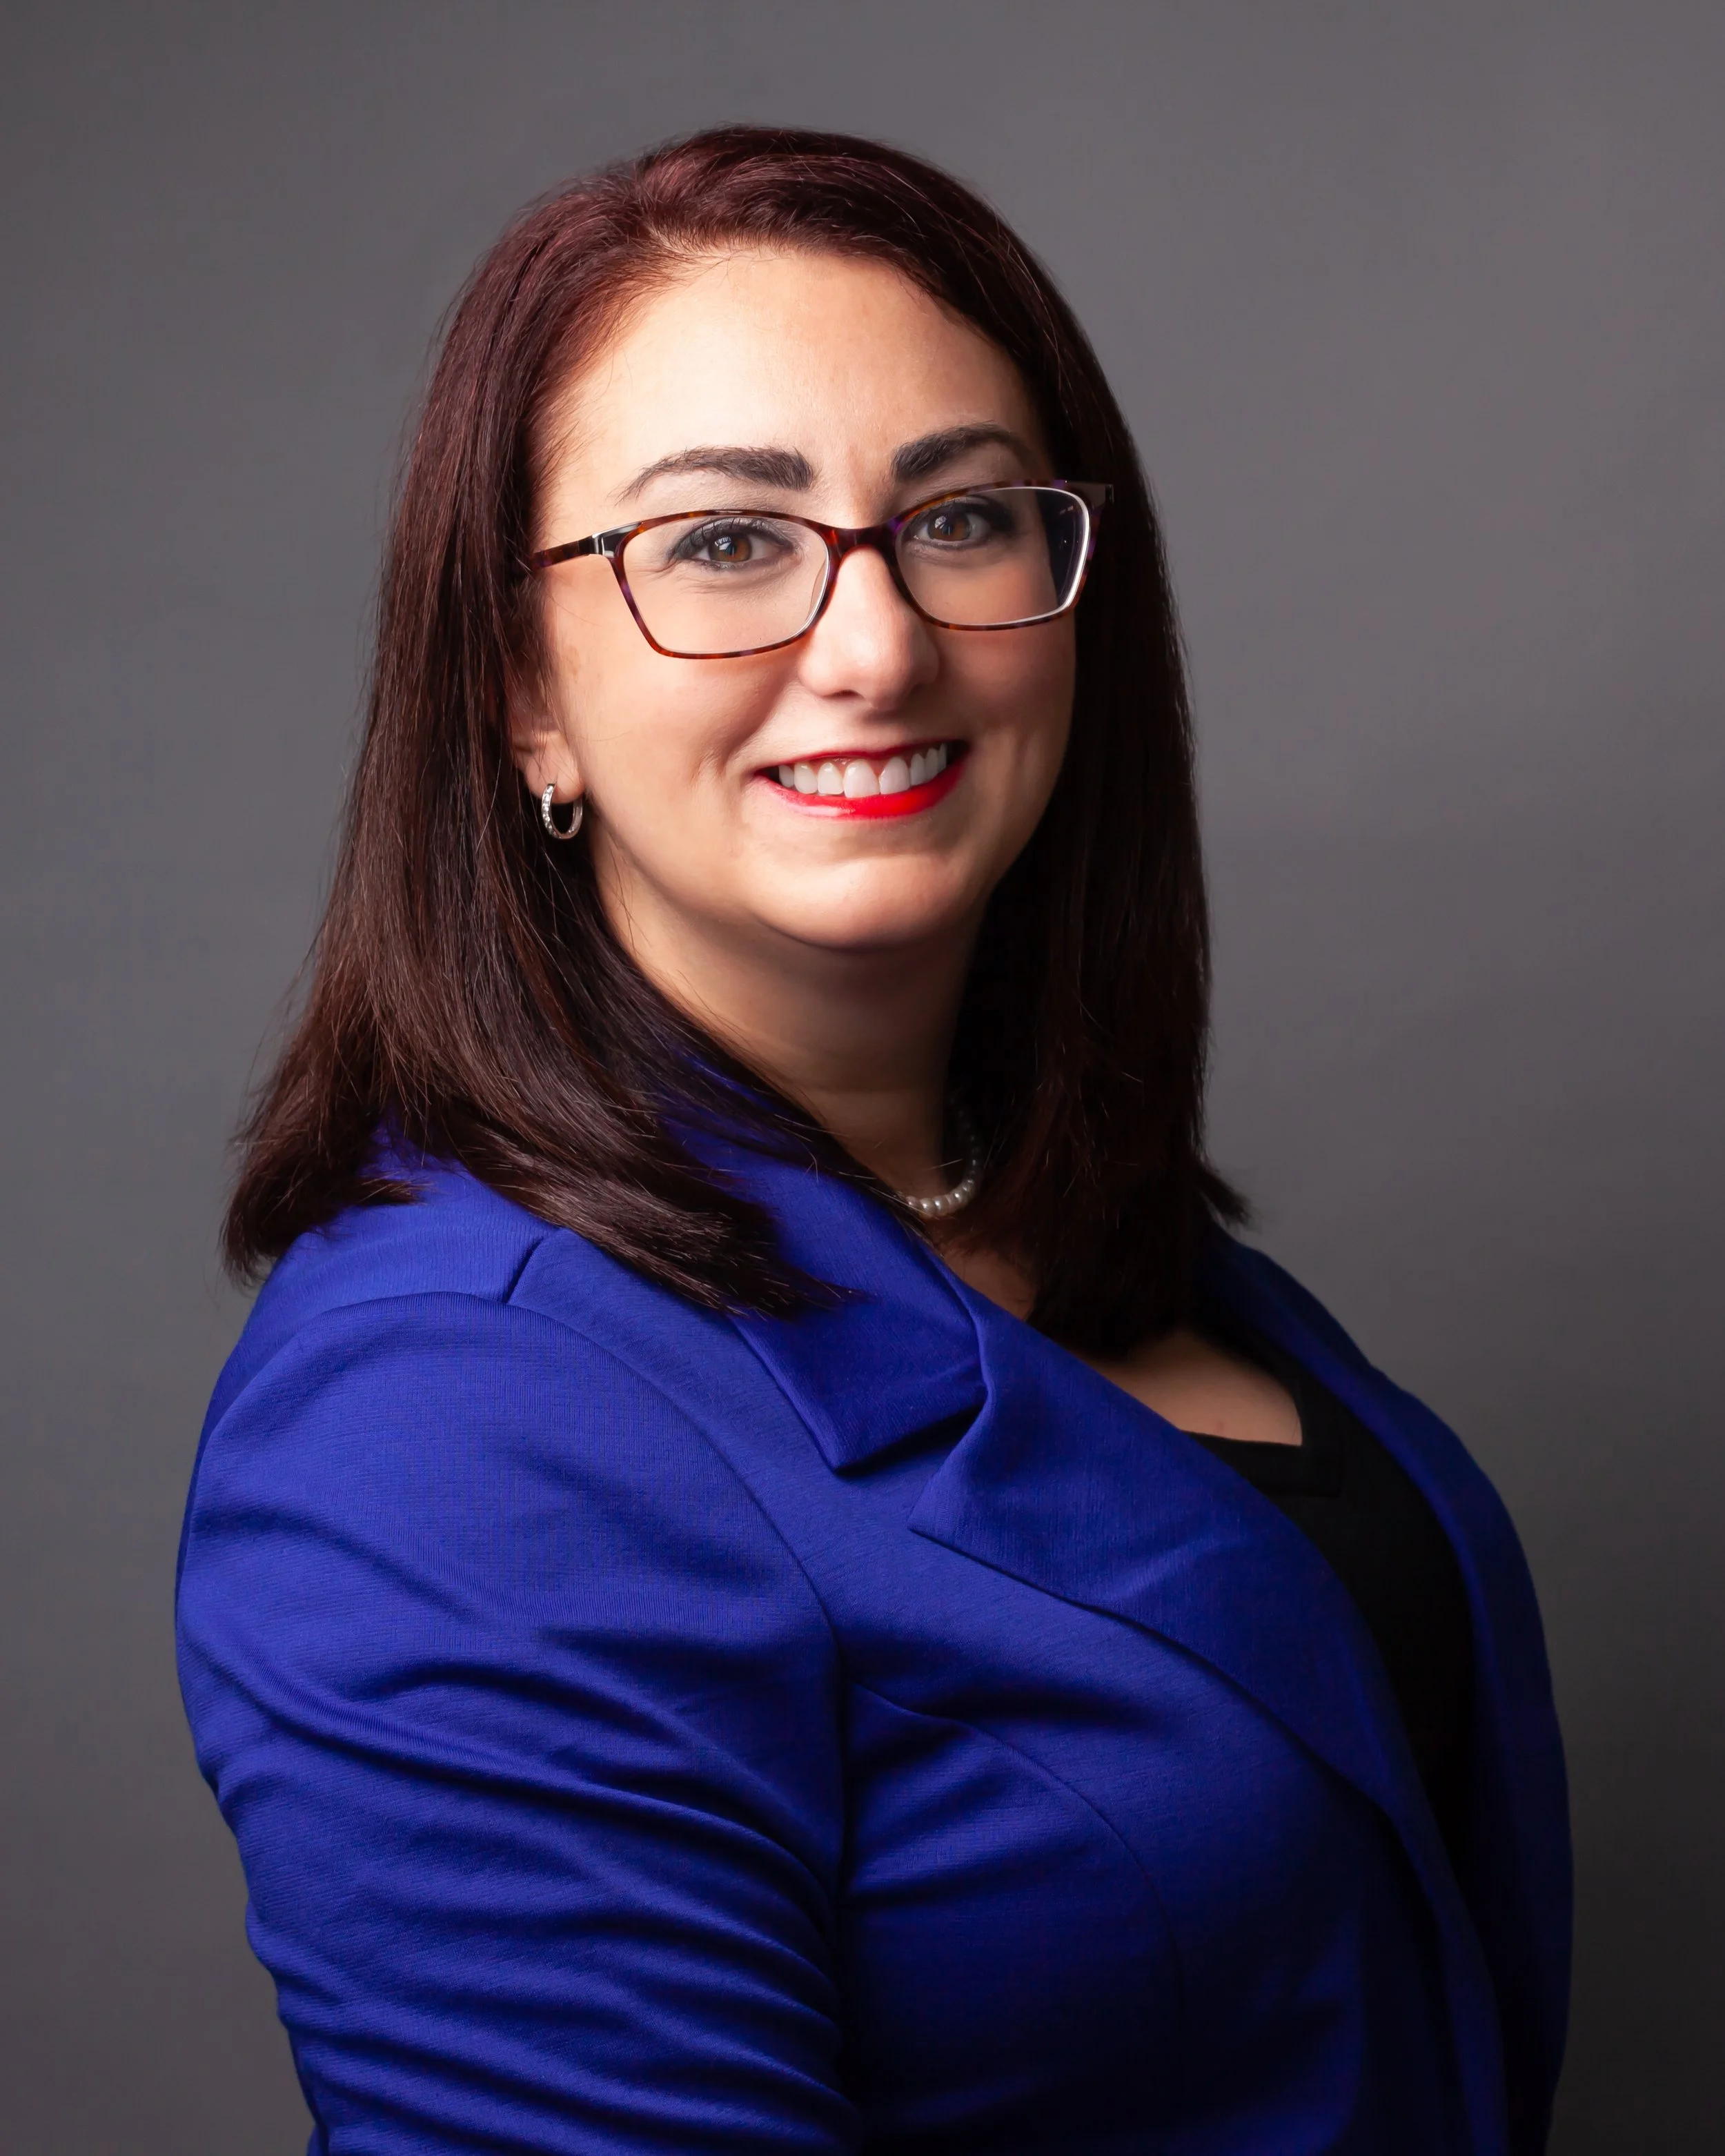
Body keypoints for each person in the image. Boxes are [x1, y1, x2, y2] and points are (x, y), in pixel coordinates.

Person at [176, 126, 1570, 2155]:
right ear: (520, 695)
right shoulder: (450, 1417)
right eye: (725, 543)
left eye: (964, 518)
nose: (876, 642)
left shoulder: (1088, 1239)